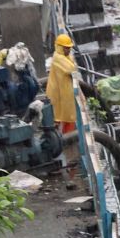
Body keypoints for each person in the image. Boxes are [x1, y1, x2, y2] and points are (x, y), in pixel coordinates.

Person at [46, 34, 79, 174]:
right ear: (59, 47)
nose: (68, 50)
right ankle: (66, 147)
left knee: (65, 118)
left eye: (69, 48)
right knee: (63, 119)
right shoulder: (58, 58)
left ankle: (66, 143)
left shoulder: (63, 57)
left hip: (63, 94)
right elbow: (72, 69)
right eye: (66, 48)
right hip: (58, 95)